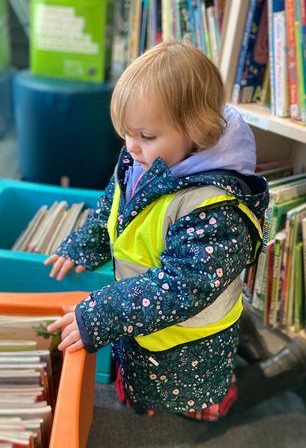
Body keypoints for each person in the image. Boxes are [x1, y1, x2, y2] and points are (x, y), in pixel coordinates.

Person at [44, 40, 284, 421]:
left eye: (146, 136)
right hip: (140, 321)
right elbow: (113, 206)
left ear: (197, 131)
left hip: (189, 344)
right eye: (126, 133)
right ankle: (148, 397)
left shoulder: (217, 208)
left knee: (198, 403)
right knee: (146, 382)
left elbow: (182, 286)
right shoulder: (140, 158)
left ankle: (241, 391)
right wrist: (84, 245)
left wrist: (101, 314)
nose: (131, 147)